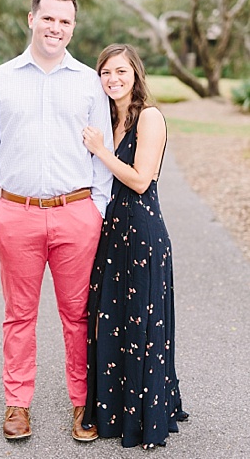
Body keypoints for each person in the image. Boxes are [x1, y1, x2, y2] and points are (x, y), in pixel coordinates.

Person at [0, 0, 113, 442]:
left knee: (78, 315)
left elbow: (103, 152)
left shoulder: (88, 83)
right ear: (32, 19)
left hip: (77, 213)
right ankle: (17, 405)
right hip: (17, 215)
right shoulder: (0, 79)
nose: (56, 27)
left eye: (65, 21)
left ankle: (81, 405)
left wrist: (96, 209)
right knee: (19, 316)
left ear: (73, 27)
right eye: (48, 17)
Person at [81, 43, 188, 448]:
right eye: (106, 72)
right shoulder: (108, 118)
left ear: (136, 73)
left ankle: (145, 418)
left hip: (142, 231)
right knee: (111, 317)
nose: (113, 79)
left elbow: (142, 180)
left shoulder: (150, 118)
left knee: (142, 323)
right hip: (112, 230)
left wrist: (101, 152)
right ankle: (110, 409)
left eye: (121, 71)